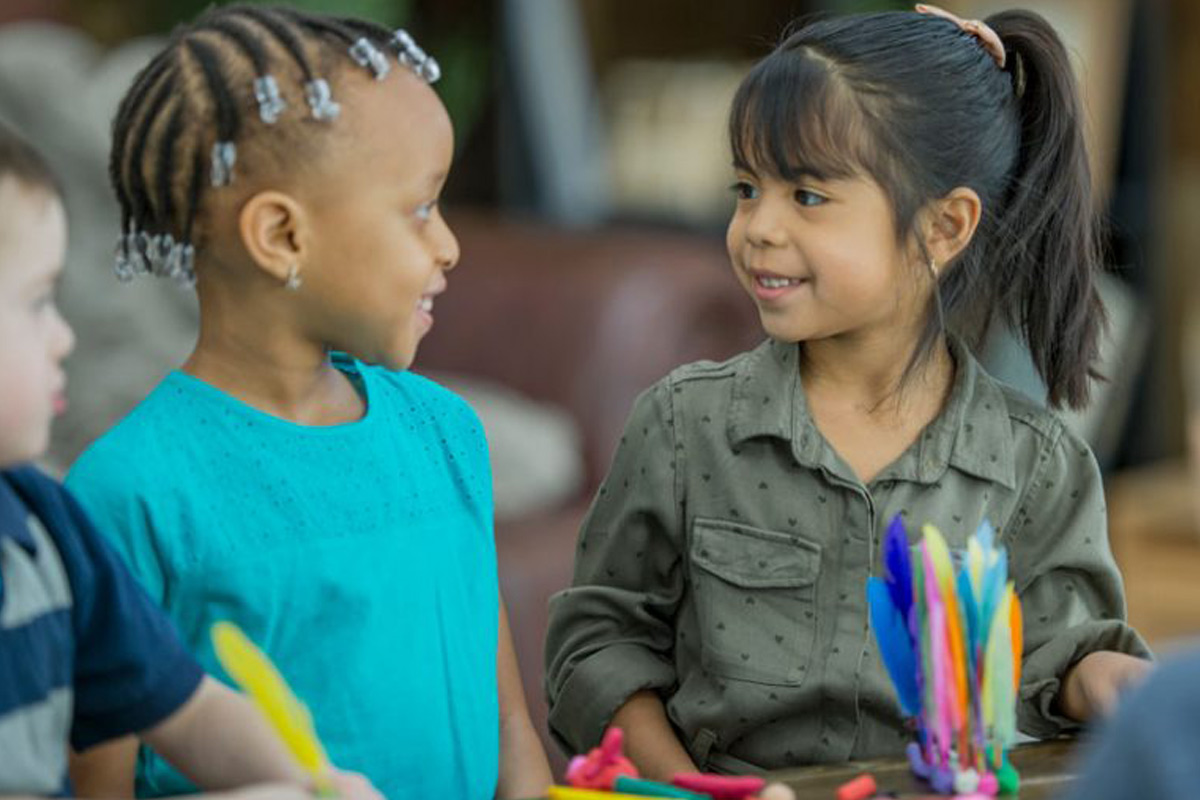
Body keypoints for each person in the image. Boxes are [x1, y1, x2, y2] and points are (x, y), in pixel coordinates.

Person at [545, 5, 1151, 779]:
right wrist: (689, 788)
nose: (757, 226)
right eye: (745, 186)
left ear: (944, 227)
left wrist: (1103, 676)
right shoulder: (683, 426)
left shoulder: (1038, 466)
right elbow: (599, 644)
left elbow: (1059, 653)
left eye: (806, 195)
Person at [63, 6, 550, 799]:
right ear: (282, 237)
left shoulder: (446, 433)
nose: (450, 244)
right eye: (421, 208)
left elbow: (508, 729)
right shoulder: (127, 493)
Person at [0, 120, 379, 800]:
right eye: (36, 303)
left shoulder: (46, 524)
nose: (65, 336)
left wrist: (312, 781)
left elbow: (192, 712)